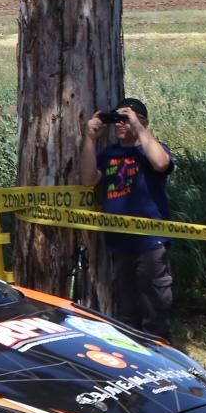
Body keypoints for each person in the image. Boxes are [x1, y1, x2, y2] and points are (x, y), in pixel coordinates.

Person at [80, 97, 174, 340]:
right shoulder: (108, 154)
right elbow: (88, 179)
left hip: (151, 242)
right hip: (119, 243)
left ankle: (160, 350)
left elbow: (161, 163)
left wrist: (138, 126)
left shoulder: (151, 149)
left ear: (142, 121)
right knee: (126, 306)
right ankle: (133, 352)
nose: (121, 125)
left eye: (126, 120)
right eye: (117, 120)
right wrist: (90, 139)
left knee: (156, 305)